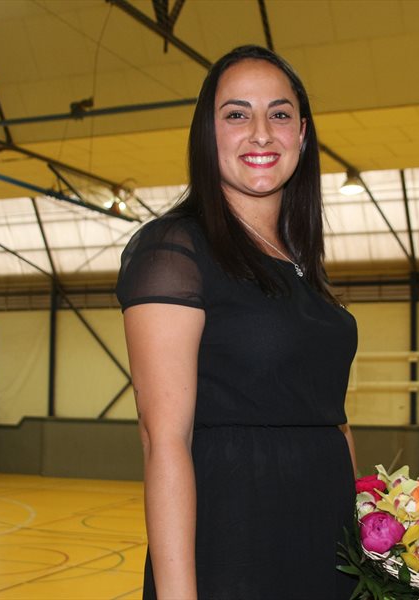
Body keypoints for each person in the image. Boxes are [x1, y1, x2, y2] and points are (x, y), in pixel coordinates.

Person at [117, 45, 358, 599]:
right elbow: (164, 439)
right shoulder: (173, 249)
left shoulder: (302, 262)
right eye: (236, 114)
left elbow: (333, 418)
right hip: (237, 548)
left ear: (302, 132)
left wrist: (372, 540)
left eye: (279, 113)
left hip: (328, 549)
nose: (261, 132)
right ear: (208, 133)